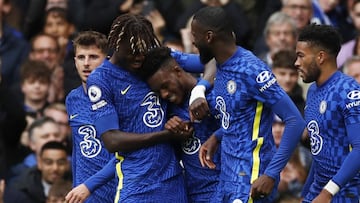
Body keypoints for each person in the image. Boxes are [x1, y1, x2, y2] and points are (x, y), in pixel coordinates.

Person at [189, 6, 305, 202]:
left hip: (251, 177)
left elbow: (295, 121)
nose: (192, 41)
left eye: (195, 35)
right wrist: (218, 136)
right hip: (229, 177)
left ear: (208, 37)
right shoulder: (220, 65)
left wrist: (271, 174)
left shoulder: (252, 70)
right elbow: (242, 115)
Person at [85, 13, 195, 202]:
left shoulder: (152, 59)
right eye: (133, 50)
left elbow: (213, 59)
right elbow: (112, 140)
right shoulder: (102, 79)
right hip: (136, 185)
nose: (139, 56)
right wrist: (166, 135)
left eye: (143, 49)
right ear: (117, 45)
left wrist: (200, 90)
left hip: (173, 183)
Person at [140, 46, 221, 202]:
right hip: (196, 196)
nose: (164, 94)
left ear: (177, 71)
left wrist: (200, 93)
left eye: (165, 86)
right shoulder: (167, 112)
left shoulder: (214, 94)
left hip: (229, 189)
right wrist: (171, 134)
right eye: (158, 92)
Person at [295, 23, 360, 203]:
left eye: (301, 56)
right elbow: (320, 149)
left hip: (346, 193)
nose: (296, 63)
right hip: (319, 190)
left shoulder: (348, 91)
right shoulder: (313, 91)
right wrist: (306, 193)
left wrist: (328, 192)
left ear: (321, 57)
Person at [65, 30, 116, 203]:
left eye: (93, 57)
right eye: (81, 57)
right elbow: (78, 149)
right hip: (83, 196)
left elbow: (125, 154)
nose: (86, 64)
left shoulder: (119, 98)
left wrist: (90, 185)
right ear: (75, 61)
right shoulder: (73, 98)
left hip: (116, 194)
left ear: (107, 60)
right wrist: (76, 186)